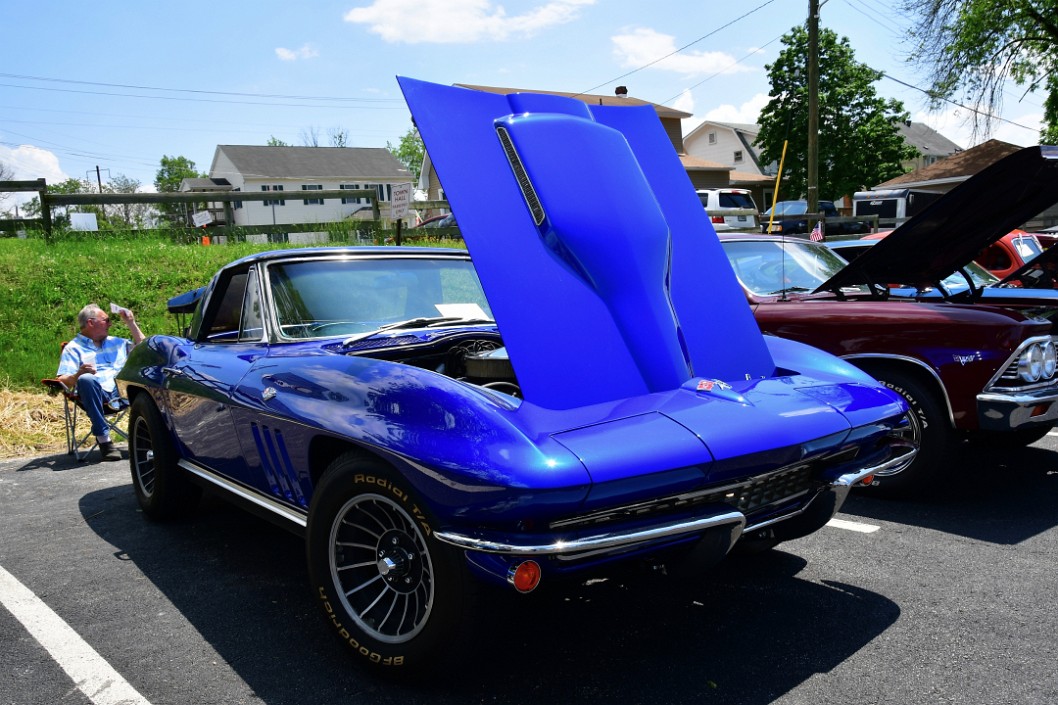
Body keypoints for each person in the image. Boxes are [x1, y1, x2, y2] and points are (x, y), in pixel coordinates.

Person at [55, 303, 145, 461]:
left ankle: (147, 437)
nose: (110, 324)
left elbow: (145, 349)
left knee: (144, 373)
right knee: (86, 379)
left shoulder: (117, 343)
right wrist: (78, 374)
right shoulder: (73, 348)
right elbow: (63, 380)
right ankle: (104, 440)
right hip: (95, 394)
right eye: (106, 320)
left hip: (122, 391)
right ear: (91, 323)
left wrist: (131, 322)